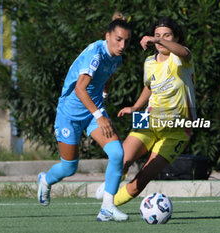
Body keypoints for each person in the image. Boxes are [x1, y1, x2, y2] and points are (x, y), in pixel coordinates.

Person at [37, 16, 131, 222]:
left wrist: (103, 99)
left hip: (92, 113)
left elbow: (108, 75)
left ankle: (107, 207)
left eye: (126, 41)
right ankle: (45, 180)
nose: (122, 45)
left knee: (117, 153)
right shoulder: (95, 55)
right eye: (118, 39)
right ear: (107, 37)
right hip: (69, 115)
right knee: (69, 167)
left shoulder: (116, 57)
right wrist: (100, 116)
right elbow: (80, 89)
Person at [97, 17, 196, 206]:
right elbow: (149, 87)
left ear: (175, 38)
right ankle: (108, 198)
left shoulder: (182, 58)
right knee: (121, 160)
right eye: (157, 35)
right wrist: (135, 107)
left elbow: (183, 51)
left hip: (177, 130)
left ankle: (109, 206)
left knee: (138, 183)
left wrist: (157, 40)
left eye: (166, 35)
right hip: (148, 120)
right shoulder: (150, 62)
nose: (160, 39)